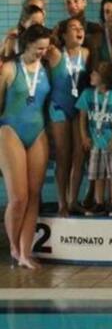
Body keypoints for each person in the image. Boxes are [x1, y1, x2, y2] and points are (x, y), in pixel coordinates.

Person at [0, 24, 52, 269]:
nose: (43, 52)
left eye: (46, 47)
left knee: (33, 196)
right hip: (10, 131)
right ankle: (13, 246)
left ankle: (25, 251)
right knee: (18, 197)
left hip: (38, 132)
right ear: (27, 44)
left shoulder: (46, 68)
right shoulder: (9, 69)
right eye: (39, 48)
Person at [44, 18, 90, 216]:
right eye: (73, 28)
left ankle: (74, 201)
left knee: (79, 156)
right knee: (63, 157)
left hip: (79, 109)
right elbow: (33, 44)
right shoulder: (55, 53)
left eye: (81, 28)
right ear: (63, 35)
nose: (79, 31)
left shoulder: (86, 53)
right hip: (59, 108)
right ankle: (62, 203)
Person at [76, 61, 112, 216]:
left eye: (95, 74)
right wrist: (84, 136)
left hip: (111, 142)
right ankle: (99, 202)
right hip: (95, 142)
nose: (91, 75)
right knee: (97, 173)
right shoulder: (87, 94)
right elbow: (82, 117)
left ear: (105, 78)